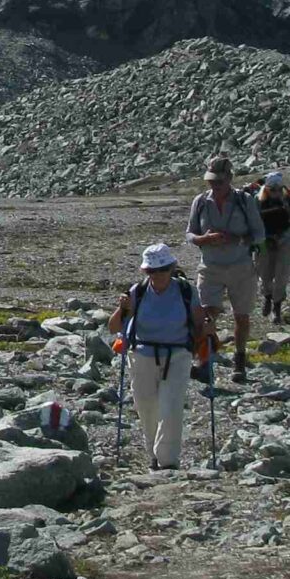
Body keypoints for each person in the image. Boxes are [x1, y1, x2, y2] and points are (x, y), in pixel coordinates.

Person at [107, 243, 201, 469]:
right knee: (146, 407)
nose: (157, 275)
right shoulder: (136, 292)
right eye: (151, 271)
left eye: (162, 270)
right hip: (142, 355)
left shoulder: (186, 291)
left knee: (171, 407)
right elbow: (113, 327)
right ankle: (154, 455)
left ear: (172, 268)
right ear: (145, 272)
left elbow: (199, 323)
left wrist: (205, 334)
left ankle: (168, 461)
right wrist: (123, 309)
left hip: (178, 355)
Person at [184, 153, 267, 382]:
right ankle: (204, 361)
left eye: (219, 181)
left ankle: (239, 362)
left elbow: (259, 234)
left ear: (229, 178)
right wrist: (203, 239)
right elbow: (190, 233)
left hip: (241, 266)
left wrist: (237, 239)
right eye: (211, 181)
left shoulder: (245, 200)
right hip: (210, 267)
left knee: (241, 316)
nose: (215, 186)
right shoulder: (200, 201)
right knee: (207, 315)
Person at [256, 169, 290, 321]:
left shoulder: (285, 199)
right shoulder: (257, 202)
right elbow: (253, 224)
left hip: (285, 238)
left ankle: (277, 307)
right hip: (264, 241)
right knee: (265, 274)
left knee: (282, 274)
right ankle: (267, 297)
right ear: (266, 189)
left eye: (279, 189)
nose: (277, 192)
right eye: (273, 189)